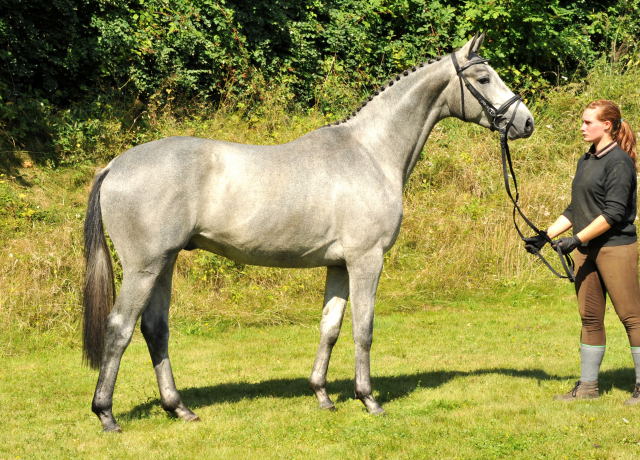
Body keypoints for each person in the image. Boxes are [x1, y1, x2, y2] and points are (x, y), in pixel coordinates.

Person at [524, 99, 640, 404]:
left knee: (631, 318)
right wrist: (544, 236)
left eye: (588, 122)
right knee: (590, 318)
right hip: (586, 250)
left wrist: (576, 240)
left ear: (607, 125)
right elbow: (577, 208)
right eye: (583, 121)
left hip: (615, 249)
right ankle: (588, 387)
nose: (582, 126)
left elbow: (614, 213)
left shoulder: (620, 162)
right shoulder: (587, 160)